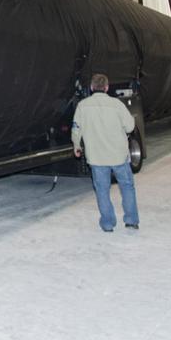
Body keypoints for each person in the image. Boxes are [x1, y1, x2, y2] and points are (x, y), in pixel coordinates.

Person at [72, 73, 139, 232]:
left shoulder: (82, 106)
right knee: (127, 187)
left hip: (96, 157)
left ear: (91, 87)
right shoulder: (117, 104)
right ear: (107, 87)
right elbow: (130, 127)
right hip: (119, 156)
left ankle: (108, 224)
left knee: (102, 190)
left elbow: (76, 129)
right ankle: (131, 221)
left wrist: (76, 145)